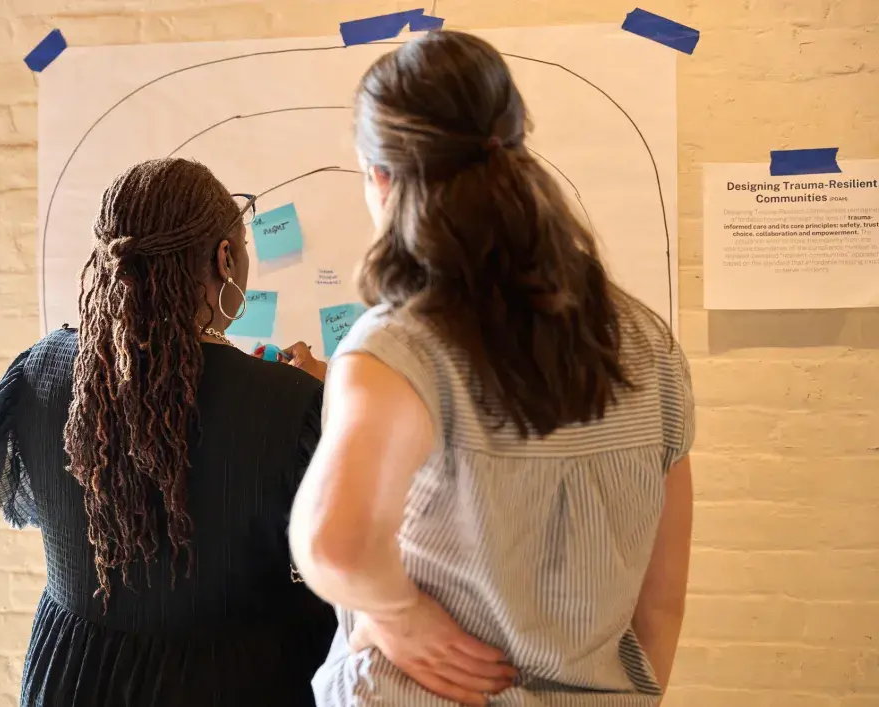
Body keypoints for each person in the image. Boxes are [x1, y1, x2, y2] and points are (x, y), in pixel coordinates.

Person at [288, 31, 695, 707]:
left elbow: (333, 542)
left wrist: (399, 614)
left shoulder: (401, 345)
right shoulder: (647, 341)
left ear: (381, 178)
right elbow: (661, 602)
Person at [0, 158, 335, 706]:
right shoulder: (294, 403)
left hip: (74, 677)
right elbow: (336, 561)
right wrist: (333, 408)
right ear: (225, 259)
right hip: (232, 681)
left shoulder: (39, 371)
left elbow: (42, 506)